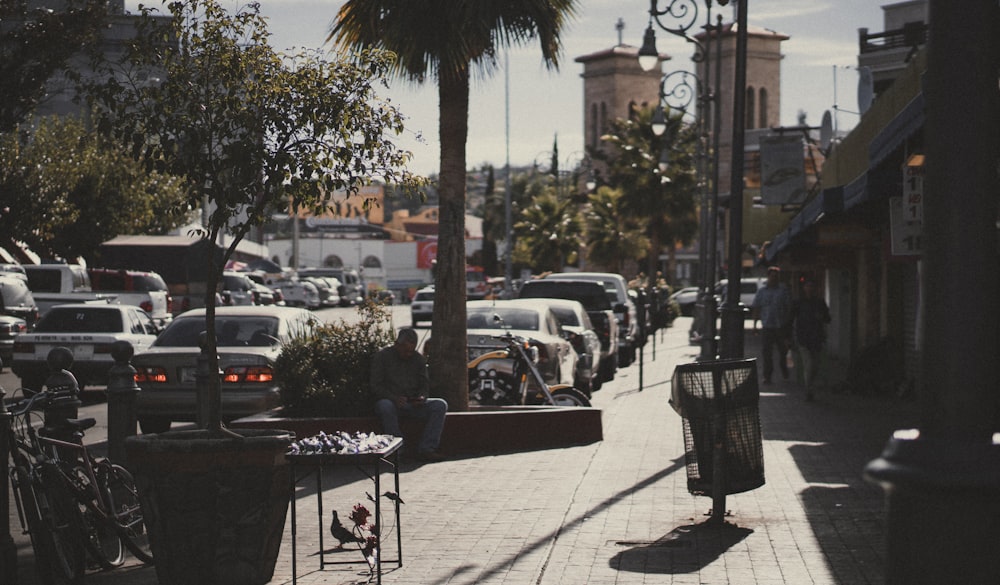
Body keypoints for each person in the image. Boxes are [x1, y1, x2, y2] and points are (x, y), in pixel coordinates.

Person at [371, 328, 448, 462]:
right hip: (391, 402)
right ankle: (398, 449)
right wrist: (394, 398)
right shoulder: (382, 357)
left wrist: (422, 397)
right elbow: (376, 385)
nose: (408, 354)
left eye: (411, 351)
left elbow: (424, 384)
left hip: (413, 403)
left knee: (440, 405)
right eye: (405, 350)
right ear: (397, 344)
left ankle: (427, 448)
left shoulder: (418, 359)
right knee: (385, 406)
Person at [751, 266, 792, 384]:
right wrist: (755, 326)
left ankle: (784, 369)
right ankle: (767, 376)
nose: (774, 278)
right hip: (767, 326)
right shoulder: (762, 292)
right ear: (768, 276)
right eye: (772, 276)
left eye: (776, 276)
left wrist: (788, 324)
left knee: (783, 351)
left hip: (781, 326)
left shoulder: (783, 290)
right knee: (767, 353)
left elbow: (788, 307)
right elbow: (757, 309)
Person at [792, 278, 831, 401]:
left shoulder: (819, 303)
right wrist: (789, 337)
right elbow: (791, 318)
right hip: (803, 338)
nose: (809, 289)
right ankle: (809, 389)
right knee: (808, 364)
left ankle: (810, 385)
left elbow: (828, 319)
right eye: (807, 286)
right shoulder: (799, 303)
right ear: (804, 288)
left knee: (815, 365)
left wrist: (822, 317)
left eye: (811, 286)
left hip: (817, 338)